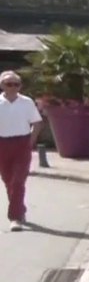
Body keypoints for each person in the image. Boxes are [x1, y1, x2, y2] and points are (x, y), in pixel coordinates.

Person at [0, 71, 43, 230]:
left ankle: (15, 217)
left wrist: (30, 141)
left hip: (21, 143)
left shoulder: (27, 102)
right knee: (8, 181)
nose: (12, 88)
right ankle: (20, 208)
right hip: (2, 144)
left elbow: (37, 123)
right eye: (8, 84)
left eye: (16, 84)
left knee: (18, 181)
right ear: (2, 85)